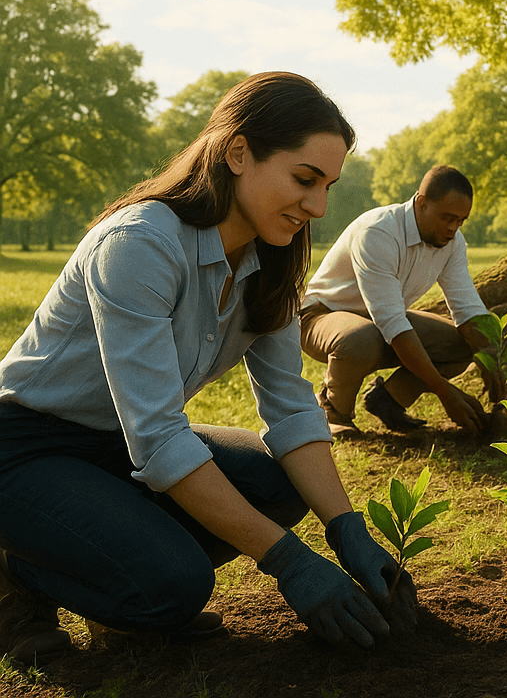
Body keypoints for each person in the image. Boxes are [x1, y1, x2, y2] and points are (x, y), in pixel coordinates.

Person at [0, 72, 412, 665]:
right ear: (238, 152)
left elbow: (292, 408)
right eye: (304, 179)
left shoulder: (269, 260)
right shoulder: (140, 244)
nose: (318, 206)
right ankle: (20, 575)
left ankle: (120, 575)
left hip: (117, 447)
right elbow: (160, 436)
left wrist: (345, 527)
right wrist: (289, 563)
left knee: (277, 482)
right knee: (174, 586)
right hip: (25, 451)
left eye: (328, 185)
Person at [301, 165, 489, 436]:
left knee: (461, 343)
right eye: (447, 218)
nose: (453, 228)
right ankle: (333, 409)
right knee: (360, 338)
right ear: (422, 203)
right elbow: (393, 325)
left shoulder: (452, 243)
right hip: (321, 317)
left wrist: (491, 357)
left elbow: (468, 308)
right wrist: (445, 392)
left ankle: (388, 401)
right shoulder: (378, 232)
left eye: (461, 221)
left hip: (378, 321)